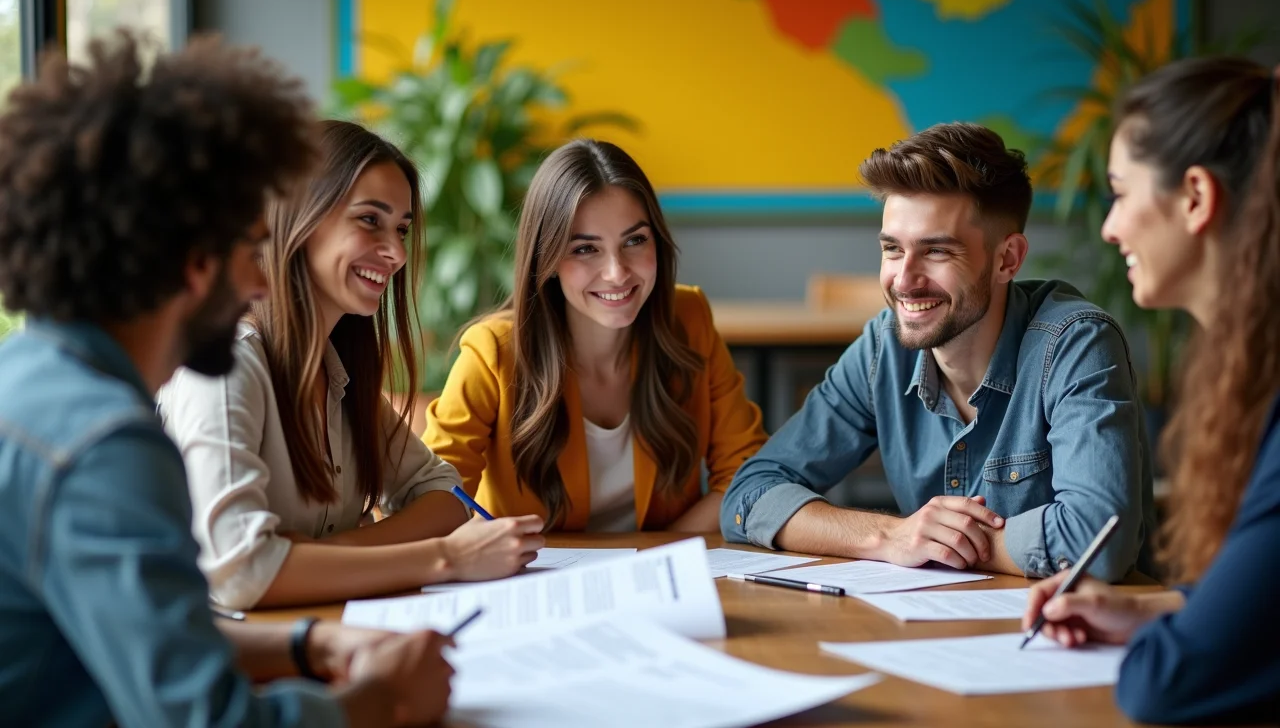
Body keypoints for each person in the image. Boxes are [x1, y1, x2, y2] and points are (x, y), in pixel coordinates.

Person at [0, 32, 455, 727]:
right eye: (251, 249)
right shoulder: (105, 446)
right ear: (193, 258)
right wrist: (376, 702)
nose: (258, 279)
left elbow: (158, 630)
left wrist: (307, 642)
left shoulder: (36, 383)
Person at [721, 122, 1155, 581]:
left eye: (937, 252)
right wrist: (891, 536)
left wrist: (948, 543)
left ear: (1007, 258)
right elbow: (748, 495)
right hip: (935, 630)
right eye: (892, 249)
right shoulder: (881, 348)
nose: (904, 280)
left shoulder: (1075, 343)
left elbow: (1100, 543)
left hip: (1079, 636)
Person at [157, 120, 544, 610]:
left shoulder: (335, 370)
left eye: (402, 229)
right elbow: (241, 574)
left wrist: (321, 556)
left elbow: (445, 494)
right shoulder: (225, 365)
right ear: (300, 218)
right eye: (369, 221)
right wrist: (445, 558)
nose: (398, 253)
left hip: (324, 637)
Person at [1023, 57, 1280, 725]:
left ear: (1194, 197)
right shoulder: (1252, 370)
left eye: (1120, 192)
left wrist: (1165, 637)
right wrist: (1149, 608)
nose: (1108, 227)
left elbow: (1166, 684)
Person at [424, 139, 767, 531]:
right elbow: (432, 499)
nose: (617, 273)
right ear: (547, 259)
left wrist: (657, 558)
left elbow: (746, 476)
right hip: (536, 583)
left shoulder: (689, 320)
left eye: (635, 241)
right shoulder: (492, 353)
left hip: (662, 583)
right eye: (586, 249)